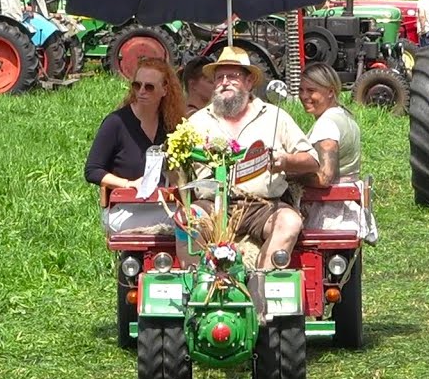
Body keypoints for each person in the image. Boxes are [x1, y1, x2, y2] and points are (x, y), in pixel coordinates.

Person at [188, 46, 318, 269]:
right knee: (186, 221)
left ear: (249, 83)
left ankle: (262, 286)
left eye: (233, 76)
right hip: (213, 205)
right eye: (219, 78)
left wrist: (284, 161)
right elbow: (178, 168)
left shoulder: (274, 116)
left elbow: (312, 160)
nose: (225, 82)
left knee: (289, 222)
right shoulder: (198, 122)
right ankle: (195, 285)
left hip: (263, 206)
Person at [85, 57, 186, 190]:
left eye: (149, 87)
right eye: (137, 85)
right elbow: (92, 171)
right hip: (125, 204)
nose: (142, 91)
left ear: (164, 90)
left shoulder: (171, 125)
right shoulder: (116, 122)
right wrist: (128, 184)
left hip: (163, 202)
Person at [298, 63, 360, 186]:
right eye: (301, 90)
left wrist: (287, 176)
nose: (304, 96)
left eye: (311, 90)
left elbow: (324, 177)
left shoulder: (326, 125)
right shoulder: (345, 116)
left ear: (330, 92)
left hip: (329, 203)